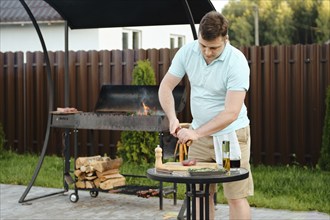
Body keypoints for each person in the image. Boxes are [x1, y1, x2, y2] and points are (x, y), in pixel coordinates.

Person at [158, 11, 254, 220]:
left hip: (231, 137)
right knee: (200, 194)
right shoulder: (188, 52)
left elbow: (231, 112)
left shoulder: (236, 61)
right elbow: (165, 87)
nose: (207, 52)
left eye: (214, 48)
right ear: (199, 36)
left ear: (225, 39)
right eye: (203, 45)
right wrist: (173, 118)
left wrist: (196, 133)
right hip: (199, 136)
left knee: (235, 196)